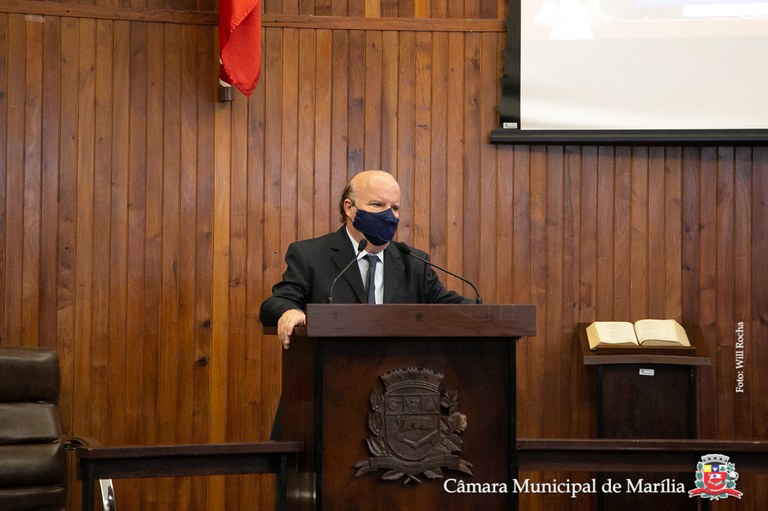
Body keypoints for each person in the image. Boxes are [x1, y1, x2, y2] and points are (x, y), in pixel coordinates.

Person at [260, 170, 472, 349]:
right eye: (378, 205)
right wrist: (290, 311)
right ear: (349, 208)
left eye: (394, 208)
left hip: (399, 377)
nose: (389, 216)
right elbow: (276, 303)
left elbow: (451, 309)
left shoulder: (414, 262)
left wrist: (484, 312)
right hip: (333, 371)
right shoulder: (310, 255)